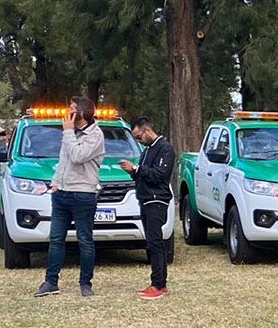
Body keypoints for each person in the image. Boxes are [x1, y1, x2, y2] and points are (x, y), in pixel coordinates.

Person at [35, 96, 105, 298]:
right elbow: (64, 161)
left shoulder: (95, 135)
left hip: (83, 194)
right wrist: (55, 183)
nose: (67, 112)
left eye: (71, 109)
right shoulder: (70, 133)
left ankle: (85, 283)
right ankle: (51, 282)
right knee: (56, 239)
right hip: (61, 194)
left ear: (80, 113)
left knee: (84, 240)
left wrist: (67, 132)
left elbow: (77, 156)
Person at [119, 117, 176, 300]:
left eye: (139, 137)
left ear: (148, 130)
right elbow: (143, 175)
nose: (138, 141)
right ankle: (159, 282)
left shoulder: (165, 148)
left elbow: (160, 175)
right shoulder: (147, 151)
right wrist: (133, 172)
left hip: (156, 200)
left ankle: (158, 284)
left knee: (156, 242)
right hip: (145, 199)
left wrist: (136, 169)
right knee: (152, 242)